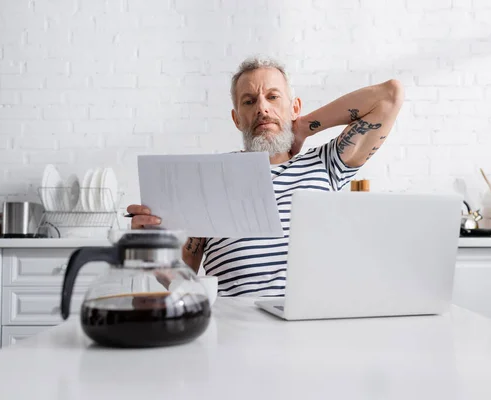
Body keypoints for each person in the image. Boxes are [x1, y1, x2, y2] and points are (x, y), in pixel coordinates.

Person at [127, 56, 404, 297]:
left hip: (313, 332)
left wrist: (305, 126)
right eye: (249, 101)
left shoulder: (328, 164)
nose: (262, 108)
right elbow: (182, 282)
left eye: (273, 97)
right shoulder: (211, 178)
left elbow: (389, 95)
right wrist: (152, 256)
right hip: (235, 336)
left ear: (294, 107)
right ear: (237, 119)